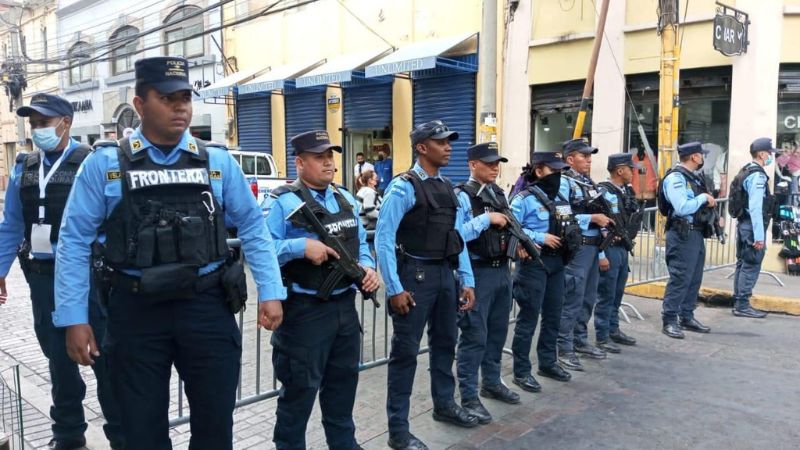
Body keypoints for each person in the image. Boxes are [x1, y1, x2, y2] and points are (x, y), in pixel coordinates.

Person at [53, 56, 287, 449]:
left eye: (184, 97)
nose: (180, 106)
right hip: (136, 312)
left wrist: (271, 289)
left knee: (215, 429)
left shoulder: (216, 161)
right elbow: (74, 240)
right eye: (167, 98)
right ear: (140, 104)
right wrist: (74, 318)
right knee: (141, 432)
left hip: (207, 306)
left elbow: (252, 226)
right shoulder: (105, 164)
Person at [0, 93, 123, 450]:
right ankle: (68, 436)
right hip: (42, 279)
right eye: (34, 123)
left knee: (105, 360)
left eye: (44, 122)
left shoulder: (92, 163)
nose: (38, 129)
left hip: (89, 280)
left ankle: (122, 435)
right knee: (59, 363)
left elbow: (112, 221)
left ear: (65, 122)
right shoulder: (25, 166)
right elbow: (11, 225)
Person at [265, 130, 379, 450]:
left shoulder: (344, 198)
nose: (328, 163)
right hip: (305, 313)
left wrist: (368, 268)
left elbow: (360, 245)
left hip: (344, 309)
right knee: (298, 398)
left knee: (342, 392)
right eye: (319, 157)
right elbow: (261, 248)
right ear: (300, 163)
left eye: (330, 156)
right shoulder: (282, 201)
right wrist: (300, 247)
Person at [376, 119, 478, 450]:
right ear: (422, 147)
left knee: (446, 344)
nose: (449, 146)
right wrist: (393, 289)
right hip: (414, 278)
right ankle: (398, 431)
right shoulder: (403, 187)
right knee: (405, 354)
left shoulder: (449, 188)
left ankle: (445, 405)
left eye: (449, 141)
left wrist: (466, 279)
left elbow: (457, 237)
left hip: (444, 276)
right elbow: (383, 238)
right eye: (441, 142)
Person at [454, 142, 521, 424]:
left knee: (496, 332)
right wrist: (485, 219)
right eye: (489, 163)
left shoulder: (498, 193)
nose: (495, 167)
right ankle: (468, 395)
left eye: (497, 163)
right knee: (474, 336)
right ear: (473, 165)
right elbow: (456, 235)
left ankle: (491, 381)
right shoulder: (461, 196)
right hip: (477, 272)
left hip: (501, 271)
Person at [510, 151, 580, 392]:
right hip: (533, 264)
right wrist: (540, 236)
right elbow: (511, 227)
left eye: (560, 171)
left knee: (553, 315)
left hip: (557, 264)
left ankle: (548, 362)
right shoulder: (523, 199)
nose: (558, 175)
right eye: (554, 170)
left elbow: (569, 222)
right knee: (528, 318)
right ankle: (521, 371)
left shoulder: (560, 197)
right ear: (539, 171)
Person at [557, 139, 614, 371]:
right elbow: (560, 215)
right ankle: (564, 347)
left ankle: (580, 339)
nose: (589, 160)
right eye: (584, 156)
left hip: (592, 247)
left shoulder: (587, 182)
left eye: (590, 156)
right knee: (572, 297)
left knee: (588, 297)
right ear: (570, 159)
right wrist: (591, 219)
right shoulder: (562, 182)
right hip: (577, 247)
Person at [659, 142, 716, 339]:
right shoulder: (676, 178)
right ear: (694, 157)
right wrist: (703, 199)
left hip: (696, 233)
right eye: (701, 155)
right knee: (680, 277)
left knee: (694, 278)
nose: (702, 158)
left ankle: (686, 315)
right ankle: (669, 319)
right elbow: (682, 207)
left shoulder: (693, 177)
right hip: (682, 234)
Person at [593, 154, 642, 353]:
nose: (634, 172)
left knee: (617, 293)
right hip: (609, 248)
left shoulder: (625, 191)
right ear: (620, 170)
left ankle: (613, 329)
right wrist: (601, 255)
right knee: (606, 293)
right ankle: (602, 335)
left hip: (622, 247)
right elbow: (597, 228)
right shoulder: (603, 192)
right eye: (631, 169)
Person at [730, 138, 778, 319]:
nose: (771, 156)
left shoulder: (745, 170)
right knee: (750, 264)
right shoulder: (757, 175)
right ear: (762, 154)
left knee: (742, 264)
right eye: (770, 153)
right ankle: (742, 305)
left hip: (743, 225)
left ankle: (738, 302)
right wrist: (759, 237)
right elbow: (756, 208)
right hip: (751, 227)